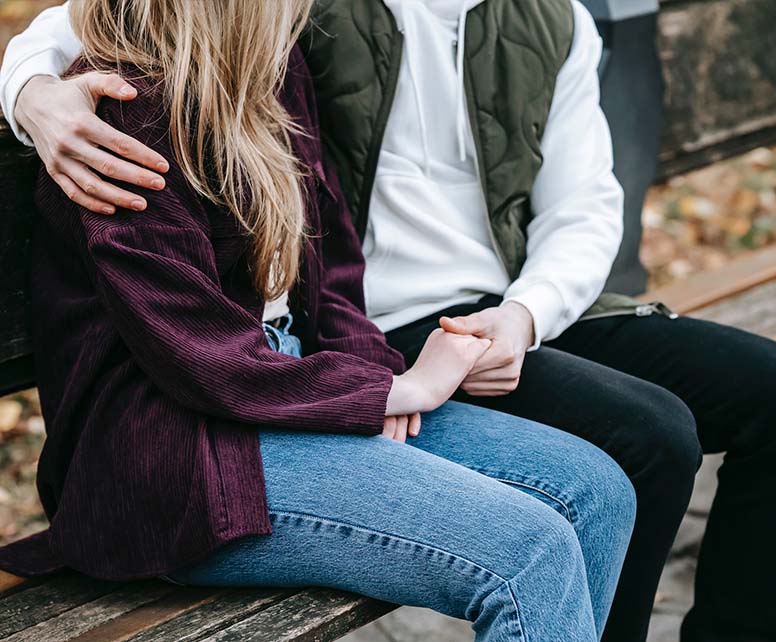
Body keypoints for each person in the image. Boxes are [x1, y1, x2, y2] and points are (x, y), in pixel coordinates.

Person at [7, 1, 776, 641]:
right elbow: (197, 351)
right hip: (182, 452)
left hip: (302, 381)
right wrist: (28, 91)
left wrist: (382, 377)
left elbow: (334, 267)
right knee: (531, 550)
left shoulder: (275, 71)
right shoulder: (126, 123)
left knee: (601, 491)